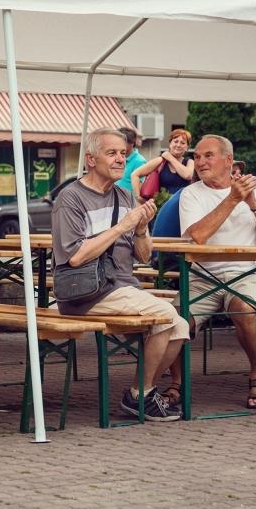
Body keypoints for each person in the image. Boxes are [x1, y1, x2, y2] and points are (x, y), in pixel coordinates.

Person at [52, 127, 189, 421]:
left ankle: (140, 392)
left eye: (123, 154)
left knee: (180, 327)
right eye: (111, 153)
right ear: (90, 159)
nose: (120, 160)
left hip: (121, 288)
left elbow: (144, 256)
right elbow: (75, 257)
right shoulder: (71, 198)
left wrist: (140, 228)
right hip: (85, 293)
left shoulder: (125, 196)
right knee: (166, 314)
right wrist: (122, 227)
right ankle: (141, 397)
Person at [165, 135, 256, 409]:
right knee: (175, 319)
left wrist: (253, 203)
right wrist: (232, 199)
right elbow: (197, 236)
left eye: (208, 156)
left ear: (228, 160)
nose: (200, 162)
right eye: (197, 157)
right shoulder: (191, 193)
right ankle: (177, 383)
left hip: (245, 273)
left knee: (246, 311)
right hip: (202, 276)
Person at [131, 128, 194, 202]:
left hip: (184, 204)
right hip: (163, 205)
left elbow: (187, 175)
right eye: (176, 141)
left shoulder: (189, 162)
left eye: (182, 143)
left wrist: (170, 157)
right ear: (170, 144)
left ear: (187, 147)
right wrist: (138, 197)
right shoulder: (160, 161)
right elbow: (135, 174)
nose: (178, 145)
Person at [114, 127, 145, 192]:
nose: (119, 145)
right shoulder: (116, 157)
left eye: (123, 142)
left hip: (127, 197)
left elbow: (139, 187)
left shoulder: (140, 161)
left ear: (132, 143)